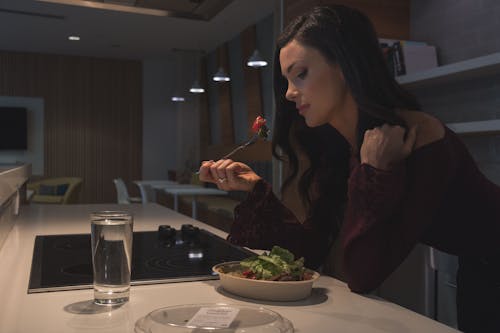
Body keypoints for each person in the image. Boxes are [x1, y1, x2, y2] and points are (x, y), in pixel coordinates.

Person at [199, 5, 500, 333]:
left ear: (345, 64)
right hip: (480, 265)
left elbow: (362, 274)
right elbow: (311, 249)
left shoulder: (417, 136)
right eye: (286, 80)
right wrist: (255, 187)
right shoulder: (345, 146)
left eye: (300, 74)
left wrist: (375, 172)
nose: (288, 93)